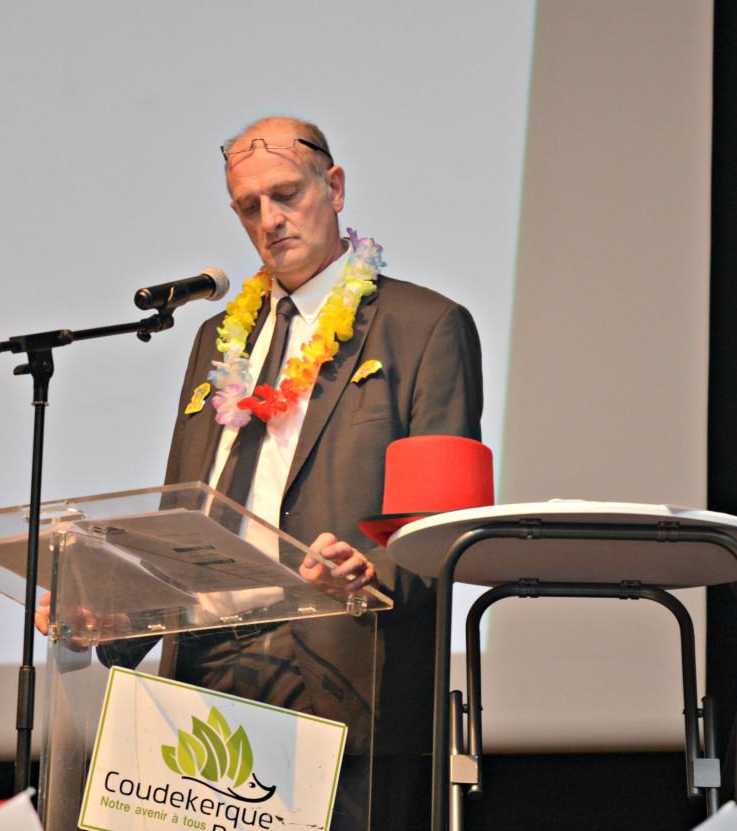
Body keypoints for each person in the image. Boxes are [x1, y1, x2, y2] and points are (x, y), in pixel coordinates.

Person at [98, 116, 482, 830]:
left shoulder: (424, 325)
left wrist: (367, 571)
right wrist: (118, 616)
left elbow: (444, 527)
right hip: (201, 670)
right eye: (249, 206)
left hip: (340, 668)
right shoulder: (222, 336)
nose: (270, 219)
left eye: (286, 194)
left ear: (333, 188)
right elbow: (183, 506)